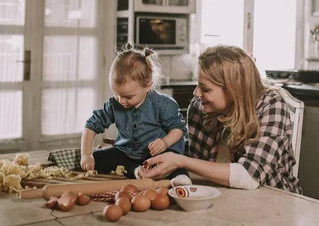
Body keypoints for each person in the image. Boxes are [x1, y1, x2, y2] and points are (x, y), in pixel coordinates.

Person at [139, 45, 302, 194]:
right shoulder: (199, 107)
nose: (196, 93)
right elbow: (196, 161)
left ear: (233, 89)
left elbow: (249, 177)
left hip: (274, 202)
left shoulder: (271, 106)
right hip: (221, 195)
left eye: (206, 89)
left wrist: (181, 161)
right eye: (198, 85)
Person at [80, 45, 187, 179]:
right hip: (126, 154)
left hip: (156, 156)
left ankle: (179, 176)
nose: (121, 101)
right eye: (116, 94)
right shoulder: (115, 104)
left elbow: (179, 130)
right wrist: (86, 155)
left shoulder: (163, 104)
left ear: (147, 86)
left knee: (172, 163)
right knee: (98, 158)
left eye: (128, 97)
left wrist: (164, 142)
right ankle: (137, 171)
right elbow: (91, 125)